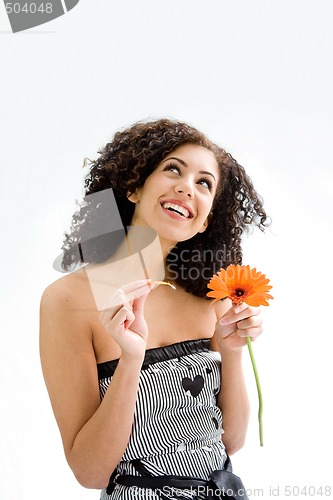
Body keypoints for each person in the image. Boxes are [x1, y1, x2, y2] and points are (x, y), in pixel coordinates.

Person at [40, 118, 268, 499]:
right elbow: (91, 472)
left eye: (204, 182)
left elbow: (232, 440)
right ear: (133, 187)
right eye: (173, 169)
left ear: (205, 220)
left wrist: (231, 353)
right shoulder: (69, 300)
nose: (186, 187)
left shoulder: (211, 296)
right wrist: (130, 360)